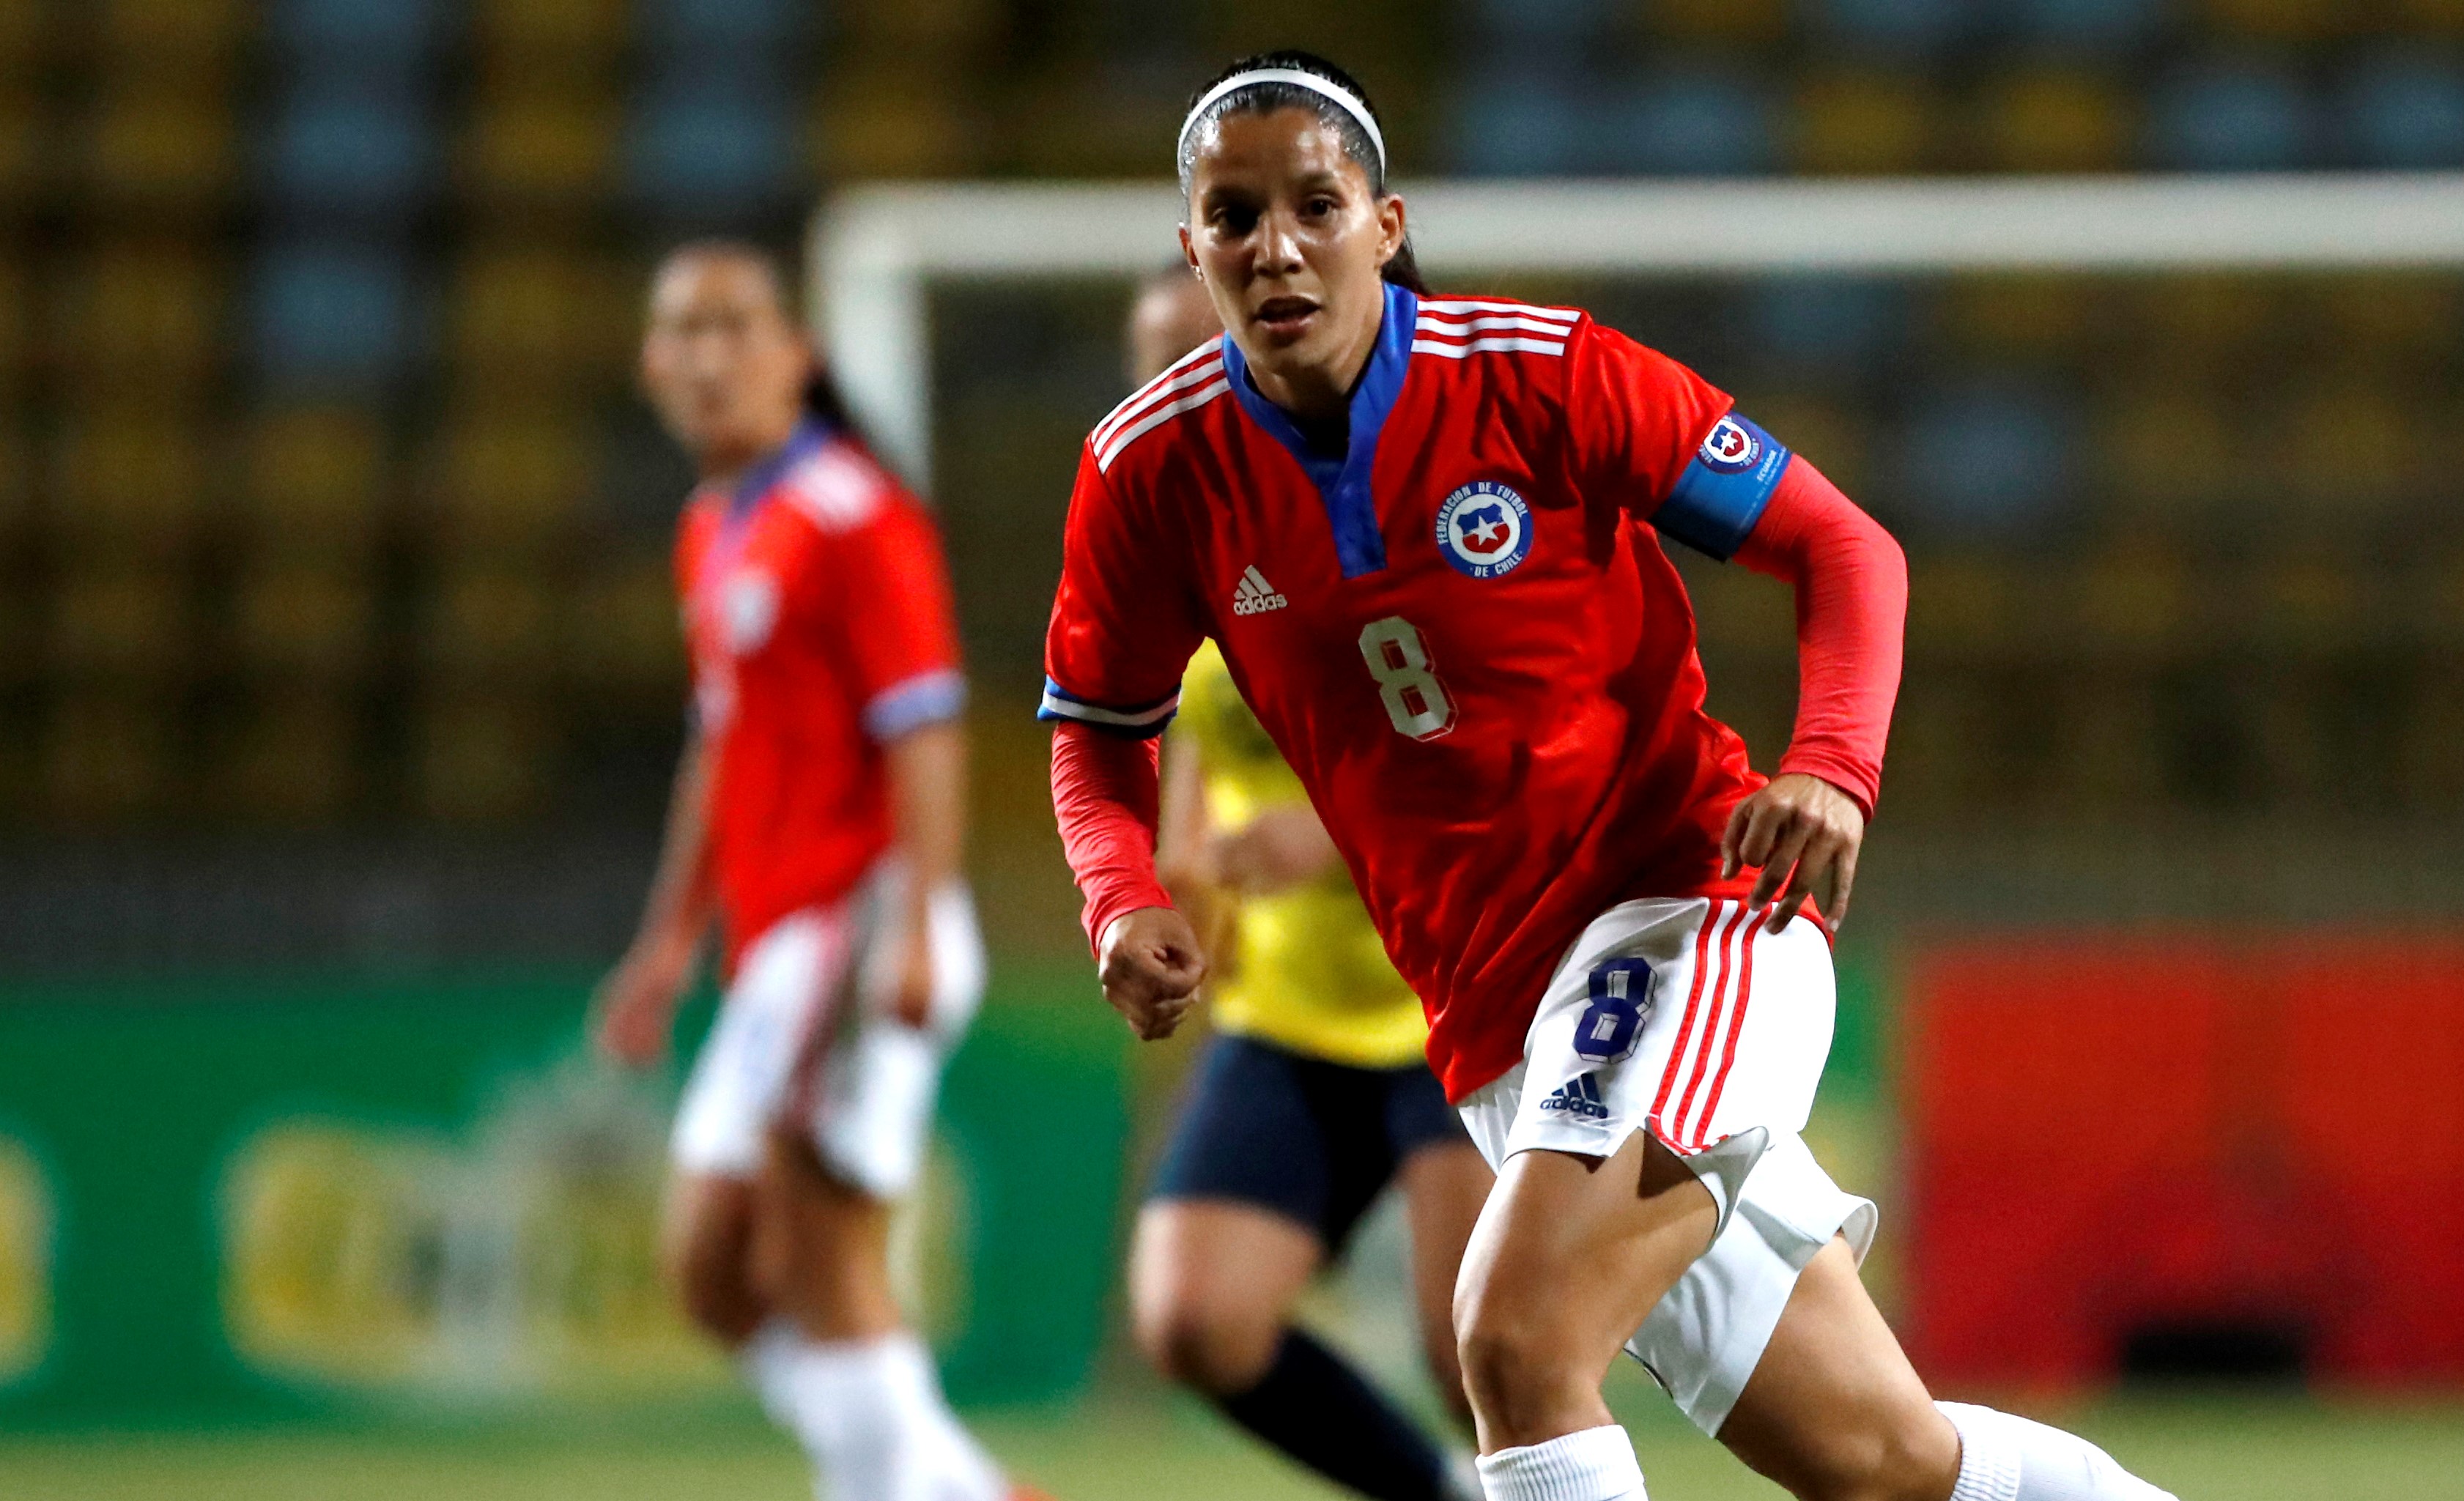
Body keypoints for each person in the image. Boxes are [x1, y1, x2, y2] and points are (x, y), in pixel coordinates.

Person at [1041, 50, 2176, 1501]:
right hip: (1497, 1024)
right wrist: (1117, 892)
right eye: (1232, 213)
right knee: (1884, 1461)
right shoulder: (1152, 471)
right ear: (1193, 246)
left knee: (1508, 1341)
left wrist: (1829, 766)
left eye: (1313, 204)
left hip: (1683, 918)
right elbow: (1095, 723)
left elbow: (1843, 548)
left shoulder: (1534, 373)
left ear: (1383, 228)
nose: (1275, 245)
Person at [593, 242, 1042, 1501]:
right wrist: (667, 942)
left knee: (820, 1259)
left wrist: (909, 921)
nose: (709, 353)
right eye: (683, 330)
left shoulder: (850, 512)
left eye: (737, 324)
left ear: (799, 355)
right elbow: (721, 753)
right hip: (782, 940)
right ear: (651, 366)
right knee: (713, 1271)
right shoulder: (713, 529)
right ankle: (959, 1488)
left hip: (858, 921)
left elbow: (927, 723)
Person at [1120, 266, 1498, 1501]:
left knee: (1483, 1351)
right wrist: (1173, 898)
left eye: (1204, 349)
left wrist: (1326, 841)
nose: (1182, 382)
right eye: (1157, 360)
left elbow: (1497, 749)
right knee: (1195, 1316)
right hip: (1295, 1008)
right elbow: (1191, 759)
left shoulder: (1394, 506)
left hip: (1452, 994)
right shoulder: (1168, 551)